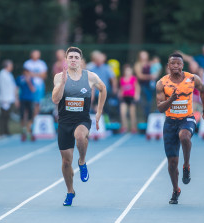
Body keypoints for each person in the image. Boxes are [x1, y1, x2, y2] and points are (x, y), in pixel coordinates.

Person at [52, 47, 106, 206]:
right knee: (66, 162)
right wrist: (62, 83)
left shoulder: (90, 76)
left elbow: (103, 89)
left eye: (76, 57)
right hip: (64, 122)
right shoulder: (59, 77)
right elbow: (55, 99)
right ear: (66, 60)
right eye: (71, 57)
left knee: (80, 136)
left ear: (81, 60)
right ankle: (70, 191)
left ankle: (82, 161)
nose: (74, 60)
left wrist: (99, 111)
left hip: (82, 119)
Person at [156, 53, 204, 204]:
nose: (175, 66)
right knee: (172, 163)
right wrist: (172, 99)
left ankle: (186, 165)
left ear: (182, 65)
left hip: (187, 119)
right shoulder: (162, 83)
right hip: (170, 122)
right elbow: (160, 108)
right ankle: (176, 189)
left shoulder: (192, 78)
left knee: (185, 137)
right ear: (168, 66)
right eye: (172, 64)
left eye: (178, 64)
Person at [23, 50, 48, 118]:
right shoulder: (27, 63)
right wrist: (38, 74)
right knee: (28, 103)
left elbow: (44, 76)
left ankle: (35, 119)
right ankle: (27, 121)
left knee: (38, 103)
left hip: (39, 86)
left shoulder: (42, 64)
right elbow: (26, 75)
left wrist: (32, 74)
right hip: (29, 86)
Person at [0, 60, 18, 136]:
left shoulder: (9, 74)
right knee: (3, 115)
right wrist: (4, 98)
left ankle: (6, 130)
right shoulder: (2, 74)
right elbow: (3, 87)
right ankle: (2, 131)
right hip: (4, 98)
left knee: (7, 115)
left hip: (9, 98)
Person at [119, 64, 140, 133]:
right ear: (124, 72)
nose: (128, 72)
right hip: (124, 98)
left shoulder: (133, 79)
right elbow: (122, 88)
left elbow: (137, 87)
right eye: (126, 71)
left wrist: (137, 94)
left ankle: (133, 127)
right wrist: (120, 93)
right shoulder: (122, 79)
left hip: (131, 97)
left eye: (129, 71)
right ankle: (124, 126)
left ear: (131, 71)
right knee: (123, 112)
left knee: (132, 113)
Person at [16, 68, 36, 141]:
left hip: (30, 99)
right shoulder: (20, 79)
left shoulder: (31, 79)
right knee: (22, 115)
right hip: (22, 99)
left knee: (30, 116)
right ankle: (23, 131)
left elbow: (33, 89)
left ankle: (30, 130)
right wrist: (16, 99)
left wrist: (28, 82)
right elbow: (17, 89)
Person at [134, 51, 153, 119]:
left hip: (150, 86)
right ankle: (144, 118)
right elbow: (139, 76)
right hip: (141, 86)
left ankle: (148, 118)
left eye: (145, 55)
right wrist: (151, 76)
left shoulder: (150, 63)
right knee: (143, 104)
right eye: (142, 55)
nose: (143, 56)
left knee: (150, 103)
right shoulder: (138, 64)